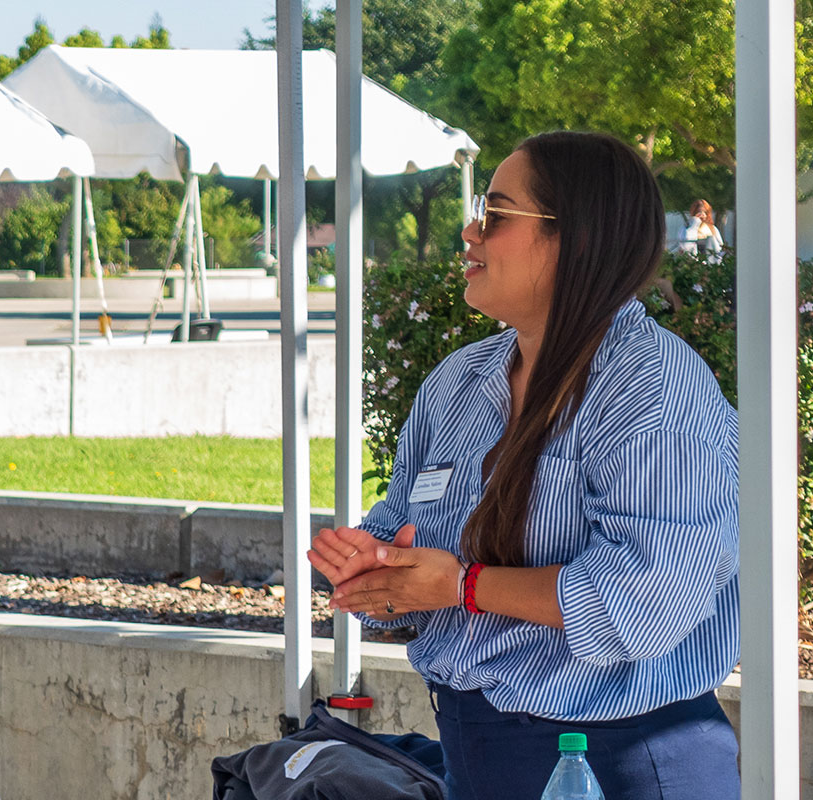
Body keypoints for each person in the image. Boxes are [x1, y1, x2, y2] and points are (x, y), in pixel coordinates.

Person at [308, 131, 740, 799]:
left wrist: (462, 587)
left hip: (624, 761)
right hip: (479, 751)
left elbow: (648, 599)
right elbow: (403, 532)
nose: (470, 230)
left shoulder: (651, 388)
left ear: (578, 239)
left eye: (497, 214)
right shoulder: (459, 382)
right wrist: (375, 571)